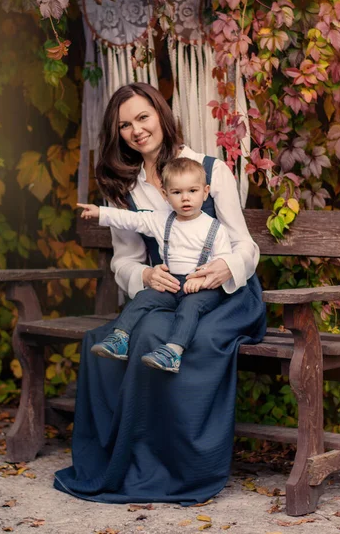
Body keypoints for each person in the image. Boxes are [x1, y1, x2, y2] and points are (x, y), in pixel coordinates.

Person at [54, 82, 266, 506]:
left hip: (222, 292)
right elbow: (124, 261)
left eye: (143, 117)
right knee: (140, 333)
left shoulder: (207, 168)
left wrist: (226, 267)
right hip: (167, 292)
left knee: (191, 341)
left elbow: (246, 245)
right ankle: (139, 464)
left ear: (161, 115)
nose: (136, 130)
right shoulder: (126, 189)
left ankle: (186, 467)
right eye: (125, 125)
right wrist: (146, 276)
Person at [77, 157, 232, 374]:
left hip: (203, 288)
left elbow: (223, 262)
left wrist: (203, 279)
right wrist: (100, 212)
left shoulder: (215, 229)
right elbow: (131, 219)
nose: (185, 198)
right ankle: (120, 338)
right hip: (172, 283)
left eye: (192, 191)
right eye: (177, 192)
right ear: (166, 195)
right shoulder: (162, 221)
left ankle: (173, 352)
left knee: (190, 307)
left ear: (205, 192)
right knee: (144, 297)